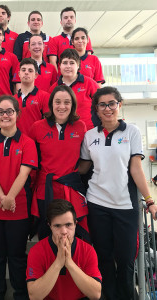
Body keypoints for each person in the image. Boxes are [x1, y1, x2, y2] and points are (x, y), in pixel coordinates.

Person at [79, 86, 157, 300]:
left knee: (125, 260)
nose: (107, 108)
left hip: (125, 206)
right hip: (97, 204)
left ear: (119, 105)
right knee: (103, 257)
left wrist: (150, 200)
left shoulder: (131, 131)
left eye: (112, 103)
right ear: (96, 109)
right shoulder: (89, 136)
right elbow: (84, 168)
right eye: (102, 104)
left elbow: (136, 169)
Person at [0, 95, 38, 299]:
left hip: (19, 208)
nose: (5, 115)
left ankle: (20, 294)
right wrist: (3, 197)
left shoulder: (28, 143)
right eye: (0, 112)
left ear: (17, 114)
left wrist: (10, 197)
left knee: (16, 257)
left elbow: (24, 173)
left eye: (9, 111)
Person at [29, 86, 88, 241]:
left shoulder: (80, 127)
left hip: (71, 190)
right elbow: (33, 162)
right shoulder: (37, 127)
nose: (62, 106)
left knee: (73, 236)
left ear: (73, 105)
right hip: (45, 190)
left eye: (67, 102)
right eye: (58, 102)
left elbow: (86, 158)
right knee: (48, 236)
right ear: (51, 104)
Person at [27, 199, 102, 300]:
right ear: (50, 226)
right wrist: (58, 263)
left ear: (75, 224)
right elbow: (34, 296)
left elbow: (95, 295)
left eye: (68, 225)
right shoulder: (36, 251)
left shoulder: (88, 250)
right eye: (57, 226)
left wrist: (69, 263)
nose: (64, 231)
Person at [49, 49, 99, 130]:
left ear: (78, 65)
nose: (68, 66)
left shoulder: (90, 83)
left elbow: (101, 106)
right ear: (60, 66)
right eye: (65, 63)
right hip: (65, 134)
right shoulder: (53, 89)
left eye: (72, 63)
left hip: (89, 132)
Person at [48, 7, 93, 71]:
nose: (69, 19)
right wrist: (58, 79)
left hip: (83, 77)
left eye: (71, 17)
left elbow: (88, 59)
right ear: (61, 22)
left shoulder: (85, 38)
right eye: (66, 18)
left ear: (75, 21)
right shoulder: (54, 40)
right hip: (63, 78)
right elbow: (52, 62)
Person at [13, 58, 49, 136]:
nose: (26, 72)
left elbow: (48, 123)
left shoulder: (45, 97)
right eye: (23, 70)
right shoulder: (12, 100)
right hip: (16, 143)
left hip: (37, 142)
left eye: (30, 71)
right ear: (19, 74)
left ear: (36, 75)